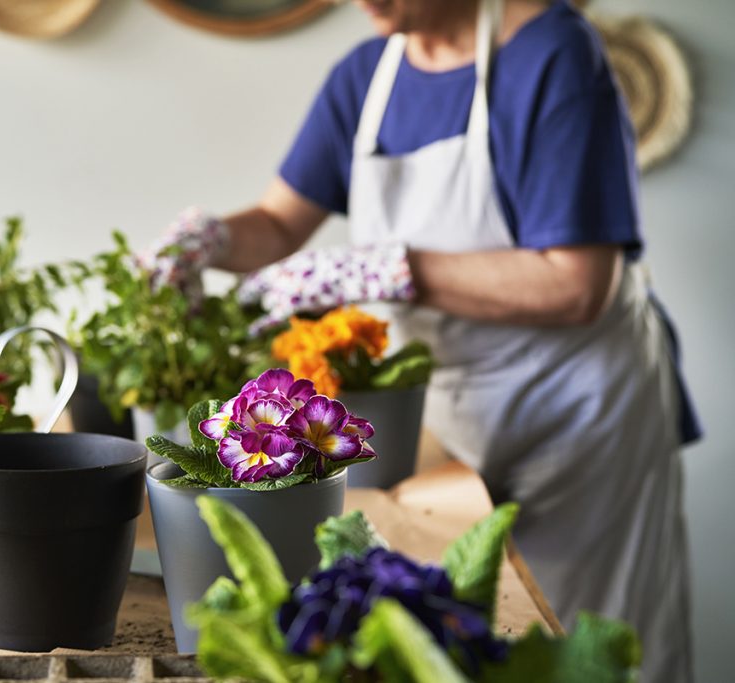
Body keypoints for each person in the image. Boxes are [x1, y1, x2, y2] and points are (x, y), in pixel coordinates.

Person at [142, 0, 702, 680]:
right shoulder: (367, 76)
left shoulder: (553, 54)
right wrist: (215, 237)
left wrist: (390, 267)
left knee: (591, 641)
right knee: (469, 632)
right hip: (454, 412)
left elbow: (578, 286)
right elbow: (279, 221)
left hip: (578, 414)